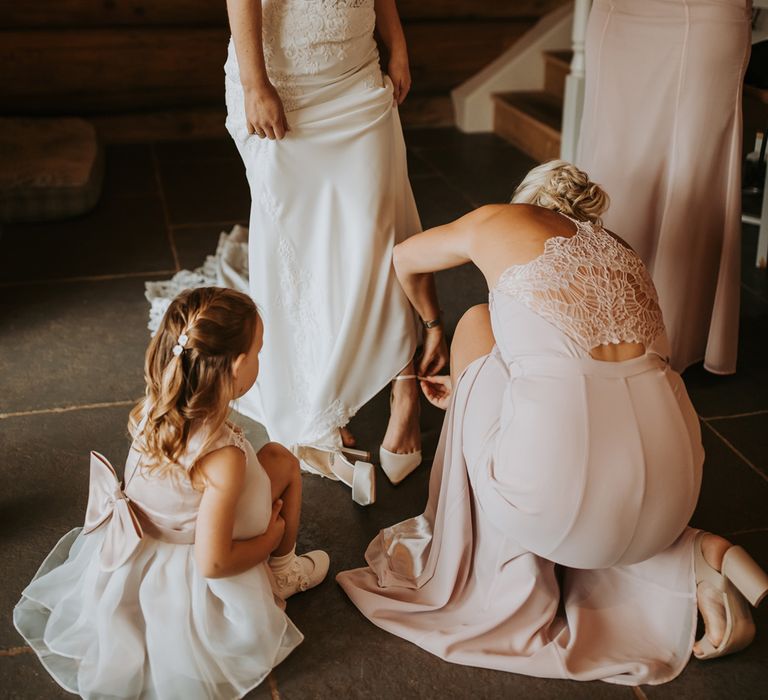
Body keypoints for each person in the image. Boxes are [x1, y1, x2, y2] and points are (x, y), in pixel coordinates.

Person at [337, 161, 768, 685]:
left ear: (526, 200)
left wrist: (433, 329)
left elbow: (405, 258)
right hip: (673, 500)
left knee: (478, 318)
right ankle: (697, 555)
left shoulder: (499, 220)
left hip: (556, 511)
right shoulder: (623, 253)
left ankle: (497, 574)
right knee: (586, 383)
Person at [15, 287, 329, 699]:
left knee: (279, 459)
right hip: (199, 560)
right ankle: (282, 571)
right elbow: (214, 563)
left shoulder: (156, 406)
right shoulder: (223, 460)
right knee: (283, 464)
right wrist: (269, 537)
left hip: (153, 535)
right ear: (236, 367)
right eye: (258, 352)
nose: (259, 360)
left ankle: (280, 565)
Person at [199, 0, 445, 497]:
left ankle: (404, 390)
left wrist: (397, 47)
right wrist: (254, 84)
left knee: (379, 233)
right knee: (300, 243)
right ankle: (317, 385)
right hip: (283, 78)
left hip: (356, 74)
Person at [576, 0, 752, 374]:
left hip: (704, 19)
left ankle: (673, 335)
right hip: (620, 15)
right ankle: (598, 318)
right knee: (611, 170)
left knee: (691, 173)